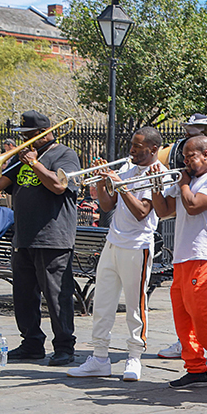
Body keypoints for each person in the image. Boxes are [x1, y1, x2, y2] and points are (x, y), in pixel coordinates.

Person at [0, 110, 81, 366]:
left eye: (28, 135)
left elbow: (59, 186)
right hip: (23, 237)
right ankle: (31, 343)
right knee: (23, 294)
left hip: (52, 237)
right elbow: (0, 183)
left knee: (57, 296)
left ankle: (64, 346)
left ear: (43, 134)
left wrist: (35, 164)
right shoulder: (20, 160)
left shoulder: (64, 155)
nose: (24, 140)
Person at [67, 127, 164, 382]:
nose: (131, 149)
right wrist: (102, 179)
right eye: (132, 144)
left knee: (135, 305)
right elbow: (107, 205)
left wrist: (120, 186)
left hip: (137, 245)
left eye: (138, 146)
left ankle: (134, 357)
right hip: (112, 242)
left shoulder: (158, 174)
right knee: (102, 302)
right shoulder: (126, 169)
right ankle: (99, 357)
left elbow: (142, 212)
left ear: (153, 149)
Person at [150, 135, 207, 390]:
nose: (186, 162)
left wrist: (184, 183)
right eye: (185, 157)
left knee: (203, 317)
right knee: (183, 319)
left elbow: (192, 206)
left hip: (205, 256)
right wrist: (156, 186)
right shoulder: (189, 182)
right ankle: (196, 369)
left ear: (206, 155)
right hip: (182, 256)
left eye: (191, 156)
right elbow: (164, 211)